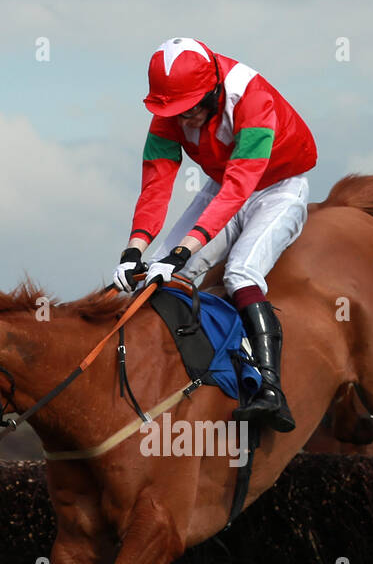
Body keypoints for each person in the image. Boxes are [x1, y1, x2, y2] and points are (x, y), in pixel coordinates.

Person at [112, 37, 317, 432]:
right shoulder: (168, 111)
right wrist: (134, 249)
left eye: (190, 109)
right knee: (160, 275)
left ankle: (271, 391)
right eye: (175, 111)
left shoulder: (253, 99)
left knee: (239, 273)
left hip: (277, 189)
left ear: (215, 90)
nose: (183, 119)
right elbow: (156, 184)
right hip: (222, 185)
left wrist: (185, 249)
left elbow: (240, 186)